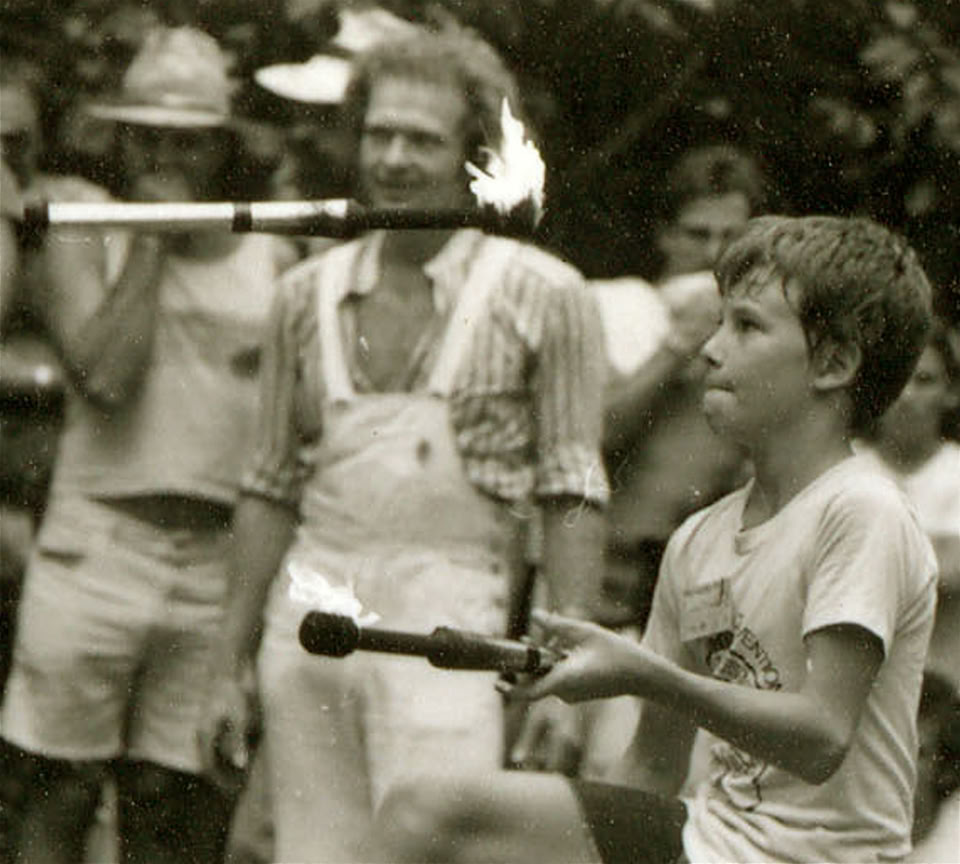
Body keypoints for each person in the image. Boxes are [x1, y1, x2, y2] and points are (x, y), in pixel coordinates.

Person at [373, 214, 938, 864]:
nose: (711, 349)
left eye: (747, 326)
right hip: (713, 840)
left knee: (427, 814)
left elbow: (821, 738)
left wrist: (645, 675)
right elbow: (651, 767)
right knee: (419, 813)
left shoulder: (861, 510)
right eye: (718, 322)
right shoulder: (698, 541)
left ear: (834, 363)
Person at [196, 22, 609, 863]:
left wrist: (567, 681)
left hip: (451, 634)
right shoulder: (303, 295)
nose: (393, 159)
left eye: (422, 140)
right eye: (379, 134)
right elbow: (269, 488)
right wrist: (224, 666)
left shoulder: (544, 294)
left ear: (473, 155)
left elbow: (572, 490)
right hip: (312, 628)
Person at [0, 26, 296, 864]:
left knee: (177, 809)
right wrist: (156, 239)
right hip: (95, 548)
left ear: (221, 146)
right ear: (121, 139)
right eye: (146, 137)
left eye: (187, 141)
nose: (165, 157)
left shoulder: (275, 255)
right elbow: (104, 376)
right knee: (56, 790)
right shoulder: (83, 233)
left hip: (215, 568)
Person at [577, 145, 768, 780]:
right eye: (696, 234)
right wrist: (676, 346)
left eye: (730, 238)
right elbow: (590, 435)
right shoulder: (616, 306)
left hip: (697, 591)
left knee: (658, 773)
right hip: (600, 578)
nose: (713, 253)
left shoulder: (763, 338)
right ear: (665, 235)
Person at [855, 316, 960, 694]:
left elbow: (950, 573)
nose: (908, 396)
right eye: (896, 380)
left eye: (925, 380)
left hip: (947, 685)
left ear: (951, 392)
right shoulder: (844, 469)